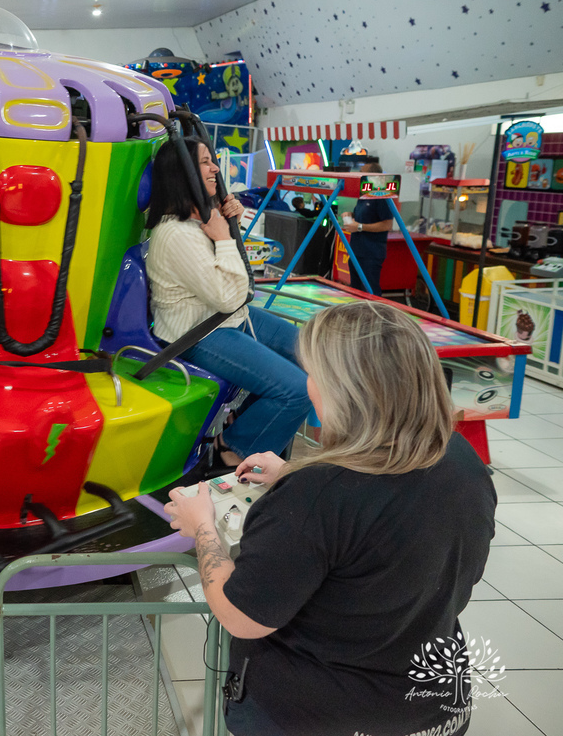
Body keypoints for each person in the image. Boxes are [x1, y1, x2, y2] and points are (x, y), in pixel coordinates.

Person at [164, 302, 495, 736]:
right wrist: (295, 471)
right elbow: (388, 519)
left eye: (314, 373)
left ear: (346, 390)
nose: (308, 384)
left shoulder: (314, 496)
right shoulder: (462, 459)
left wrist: (203, 526)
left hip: (320, 714)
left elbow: (241, 615)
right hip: (436, 709)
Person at [145, 136, 310, 467]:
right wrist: (224, 237)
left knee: (311, 353)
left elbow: (235, 285)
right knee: (298, 391)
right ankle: (232, 451)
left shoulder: (200, 220)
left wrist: (229, 226)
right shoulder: (176, 234)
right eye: (205, 162)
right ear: (184, 173)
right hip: (197, 333)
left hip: (226, 317)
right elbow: (230, 296)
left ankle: (244, 424)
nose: (215, 169)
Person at [344, 161, 393, 294]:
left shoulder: (381, 196)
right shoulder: (364, 195)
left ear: (372, 175)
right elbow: (365, 215)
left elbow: (387, 224)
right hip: (356, 251)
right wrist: (351, 214)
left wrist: (360, 227)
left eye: (362, 173)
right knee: (355, 291)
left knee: (370, 290)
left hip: (371, 253)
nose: (359, 176)